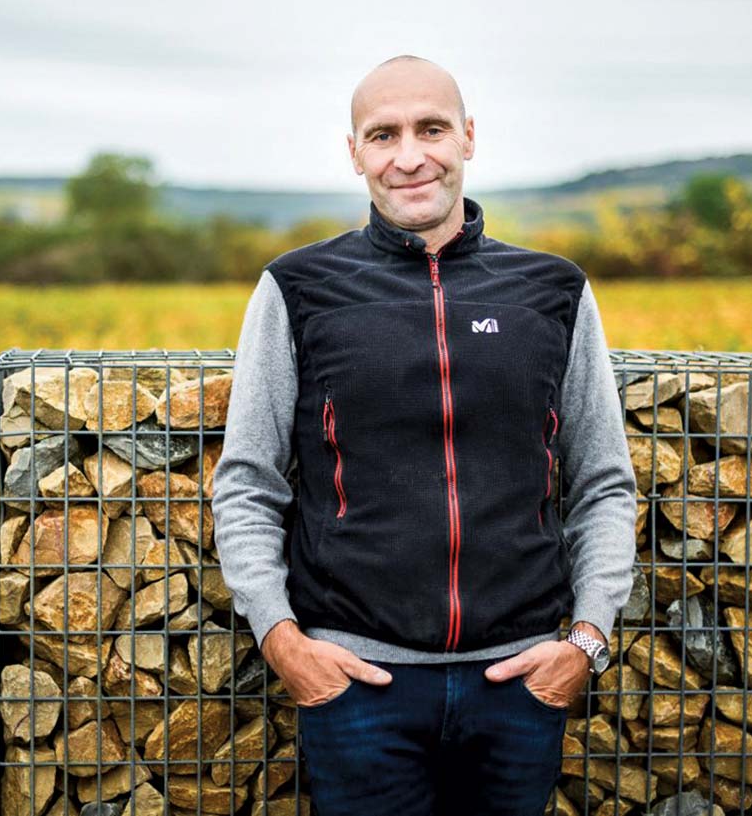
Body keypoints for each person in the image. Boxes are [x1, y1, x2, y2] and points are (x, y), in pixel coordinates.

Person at [212, 54, 637, 816]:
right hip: (356, 685)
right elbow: (248, 480)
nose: (409, 156)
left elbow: (602, 479)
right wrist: (284, 643)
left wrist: (584, 643)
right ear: (354, 154)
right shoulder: (299, 288)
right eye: (383, 135)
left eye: (431, 128)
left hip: (521, 682)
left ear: (468, 137)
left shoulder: (553, 290)